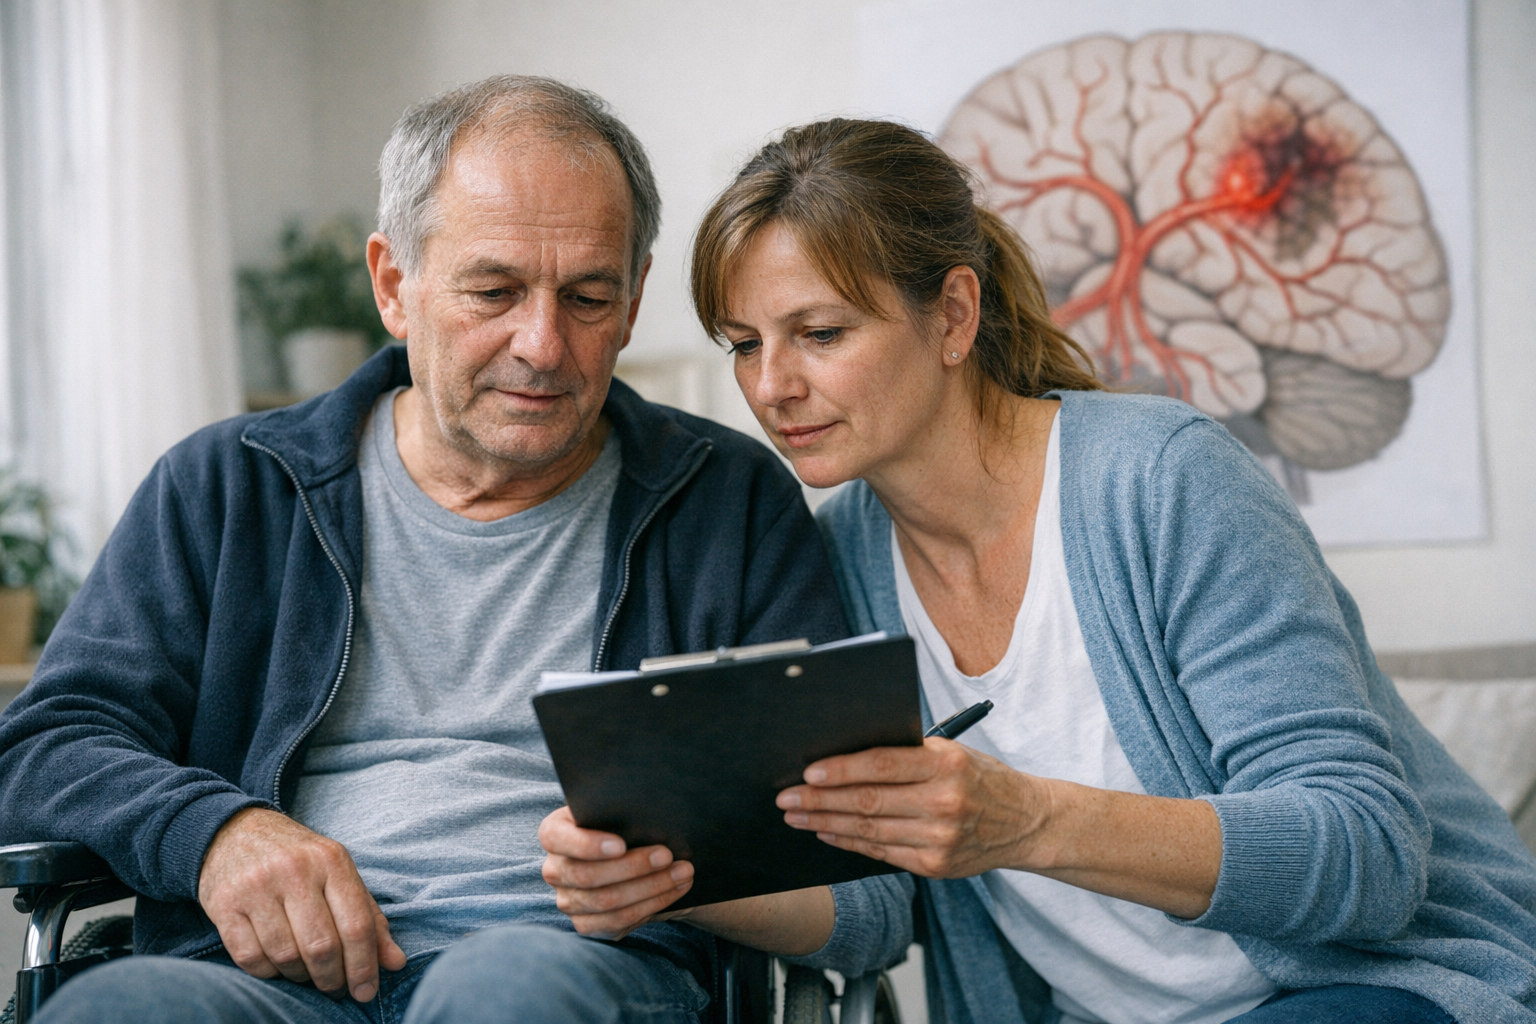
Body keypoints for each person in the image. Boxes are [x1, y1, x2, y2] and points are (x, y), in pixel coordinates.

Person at [0, 78, 892, 1024]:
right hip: (259, 982)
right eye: (494, 291)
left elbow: (867, 895)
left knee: (508, 995)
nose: (542, 346)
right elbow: (41, 751)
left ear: (633, 303)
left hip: (569, 973)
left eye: (588, 298)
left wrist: (677, 875)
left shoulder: (729, 504)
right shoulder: (229, 488)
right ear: (395, 285)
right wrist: (215, 833)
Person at [689, 117, 1536, 1024]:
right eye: (744, 343)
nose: (771, 385)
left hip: (1372, 988)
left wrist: (1025, 820)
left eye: (819, 333)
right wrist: (675, 876)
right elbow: (875, 908)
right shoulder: (844, 556)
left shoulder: (1164, 478)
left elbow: (1366, 854)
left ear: (955, 315)